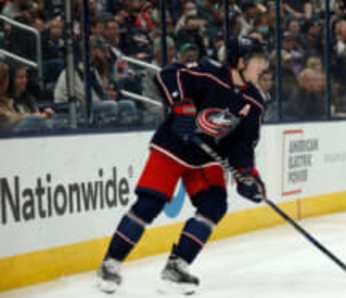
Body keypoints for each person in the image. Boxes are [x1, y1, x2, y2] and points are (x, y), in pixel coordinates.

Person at [96, 36, 269, 295]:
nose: (263, 66)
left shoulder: (254, 101)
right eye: (258, 60)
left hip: (206, 157)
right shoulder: (209, 74)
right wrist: (182, 105)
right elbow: (168, 75)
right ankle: (110, 264)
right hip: (173, 147)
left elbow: (242, 146)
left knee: (214, 206)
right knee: (149, 204)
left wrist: (247, 176)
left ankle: (177, 266)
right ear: (240, 62)